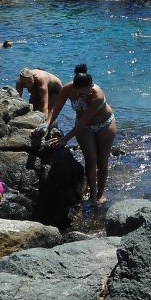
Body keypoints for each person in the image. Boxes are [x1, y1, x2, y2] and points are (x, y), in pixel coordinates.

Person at [44, 63, 116, 207]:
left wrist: (65, 139)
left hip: (105, 125)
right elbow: (54, 110)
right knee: (90, 159)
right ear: (74, 88)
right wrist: (45, 126)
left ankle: (101, 193)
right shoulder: (66, 90)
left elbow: (83, 121)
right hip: (84, 128)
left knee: (102, 161)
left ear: (92, 86)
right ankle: (93, 194)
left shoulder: (97, 96)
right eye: (81, 93)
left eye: (88, 91)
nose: (85, 95)